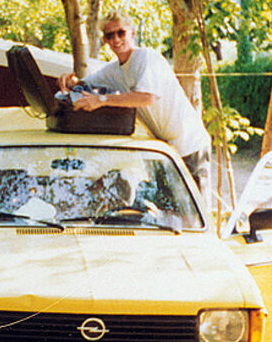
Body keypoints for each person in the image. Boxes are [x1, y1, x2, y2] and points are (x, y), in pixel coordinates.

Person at [57, 11, 212, 204]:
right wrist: (69, 80)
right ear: (104, 40)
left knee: (192, 211)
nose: (116, 39)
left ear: (132, 33)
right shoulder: (114, 70)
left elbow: (147, 97)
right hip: (163, 150)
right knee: (168, 210)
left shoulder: (146, 58)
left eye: (120, 33)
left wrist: (102, 101)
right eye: (109, 35)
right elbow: (82, 85)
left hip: (189, 144)